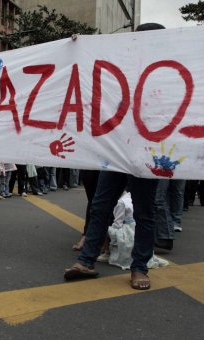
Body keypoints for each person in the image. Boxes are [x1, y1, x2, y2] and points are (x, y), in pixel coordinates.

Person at [63, 23, 166, 291]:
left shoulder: (166, 74)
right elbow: (88, 72)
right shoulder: (121, 68)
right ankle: (86, 260)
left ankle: (139, 267)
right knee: (100, 205)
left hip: (147, 155)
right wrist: (77, 47)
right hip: (116, 152)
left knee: (144, 212)